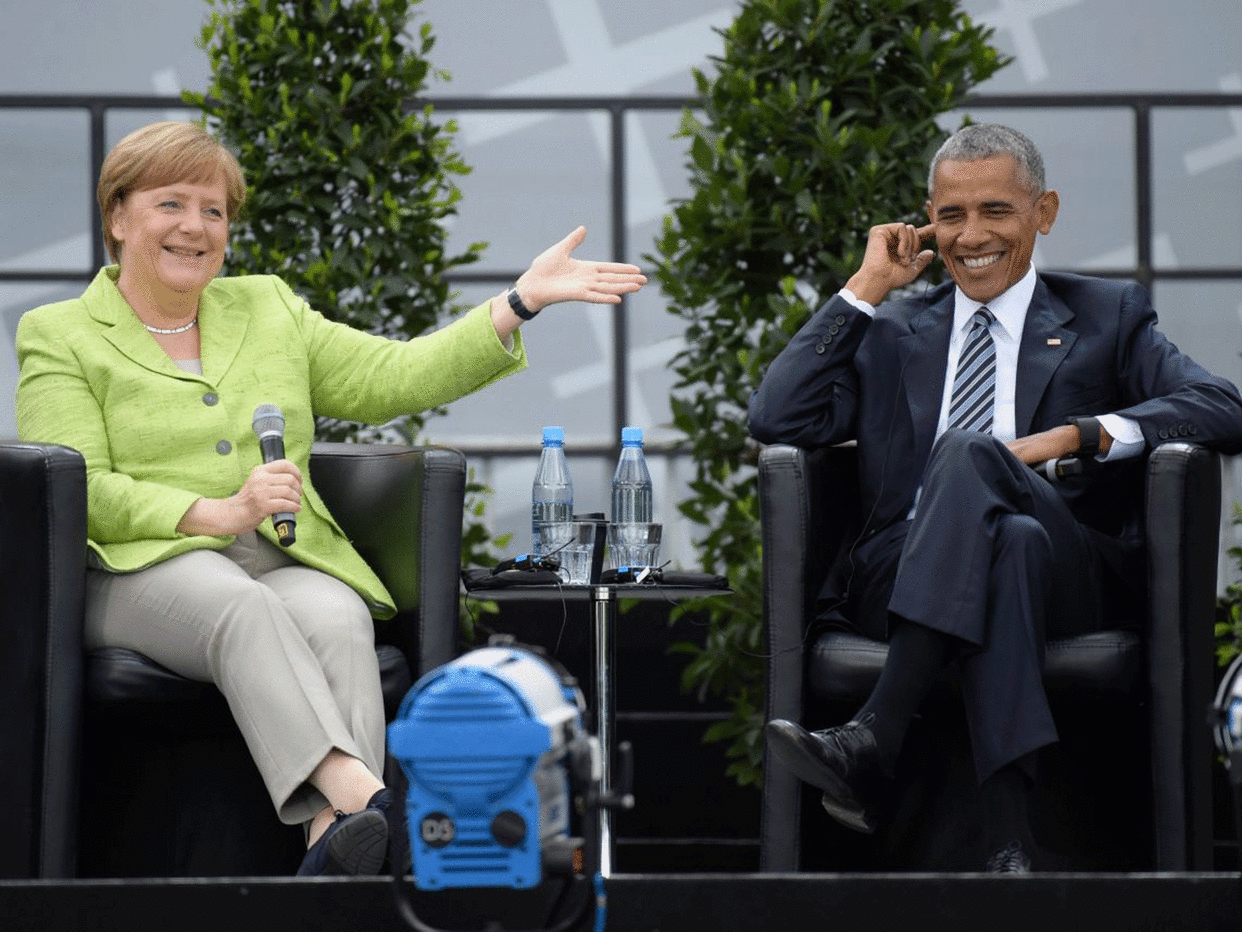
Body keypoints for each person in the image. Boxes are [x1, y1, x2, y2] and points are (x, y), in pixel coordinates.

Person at [14, 120, 646, 877]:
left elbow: (395, 376)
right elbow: (81, 482)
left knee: (336, 612)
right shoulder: (61, 332)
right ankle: (373, 801)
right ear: (118, 216)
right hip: (133, 566)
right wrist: (215, 514)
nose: (195, 227)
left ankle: (331, 858)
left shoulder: (266, 307)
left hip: (272, 552)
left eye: (214, 211)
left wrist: (519, 301)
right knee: (236, 604)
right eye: (171, 204)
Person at [748, 123, 1242, 872]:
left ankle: (875, 735)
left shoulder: (1106, 317)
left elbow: (1222, 406)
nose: (970, 235)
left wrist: (1068, 437)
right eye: (950, 216)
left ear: (1042, 212)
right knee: (1007, 542)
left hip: (1067, 576)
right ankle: (1011, 843)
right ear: (926, 221)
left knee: (973, 461)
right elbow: (776, 417)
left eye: (996, 212)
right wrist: (866, 288)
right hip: (906, 571)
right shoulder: (891, 332)